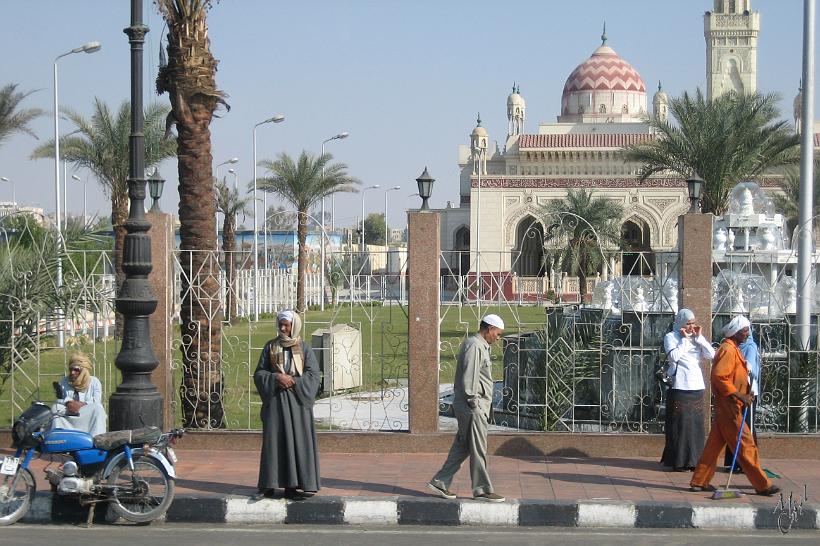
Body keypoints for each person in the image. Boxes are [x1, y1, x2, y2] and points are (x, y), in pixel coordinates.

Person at [690, 315, 780, 496]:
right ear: (736, 332)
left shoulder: (734, 349)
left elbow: (735, 375)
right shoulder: (728, 350)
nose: (748, 334)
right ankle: (763, 484)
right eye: (745, 331)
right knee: (746, 444)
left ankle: (699, 480)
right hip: (730, 406)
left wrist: (745, 392)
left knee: (713, 446)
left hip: (730, 405)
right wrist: (738, 394)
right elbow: (719, 376)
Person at [428, 314, 505, 503]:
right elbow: (469, 378)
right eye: (498, 333)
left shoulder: (480, 346)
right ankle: (482, 489)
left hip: (473, 406)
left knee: (463, 446)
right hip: (472, 407)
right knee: (479, 448)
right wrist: (474, 403)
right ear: (488, 329)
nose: (498, 338)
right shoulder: (475, 346)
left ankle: (440, 482)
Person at [253, 310, 321, 500]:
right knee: (274, 443)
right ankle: (269, 485)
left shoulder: (304, 349)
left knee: (296, 442)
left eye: (287, 324)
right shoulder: (270, 347)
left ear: (295, 326)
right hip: (275, 404)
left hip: (297, 405)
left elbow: (314, 375)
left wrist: (293, 382)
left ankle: (294, 486)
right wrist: (276, 377)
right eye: (281, 324)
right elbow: (259, 374)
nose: (283, 328)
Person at [660, 309, 715, 471]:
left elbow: (711, 355)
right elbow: (674, 357)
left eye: (693, 323)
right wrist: (684, 341)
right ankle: (678, 461)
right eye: (688, 324)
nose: (691, 327)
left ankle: (694, 460)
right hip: (680, 385)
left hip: (696, 385)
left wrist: (699, 339)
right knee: (680, 424)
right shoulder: (671, 337)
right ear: (680, 323)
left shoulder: (696, 337)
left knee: (695, 424)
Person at [723, 328, 760, 472]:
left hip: (748, 392)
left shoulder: (750, 347)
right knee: (735, 426)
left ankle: (747, 463)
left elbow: (749, 367)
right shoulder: (734, 348)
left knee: (746, 428)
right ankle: (734, 462)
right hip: (737, 391)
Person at [50, 352, 107, 437]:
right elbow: (60, 399)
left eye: (76, 370)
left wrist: (81, 405)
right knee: (55, 408)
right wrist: (68, 403)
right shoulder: (65, 381)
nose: (72, 372)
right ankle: (59, 437)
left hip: (86, 413)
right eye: (71, 369)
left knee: (98, 408)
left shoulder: (94, 382)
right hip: (70, 413)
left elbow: (96, 401)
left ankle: (96, 439)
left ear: (83, 371)